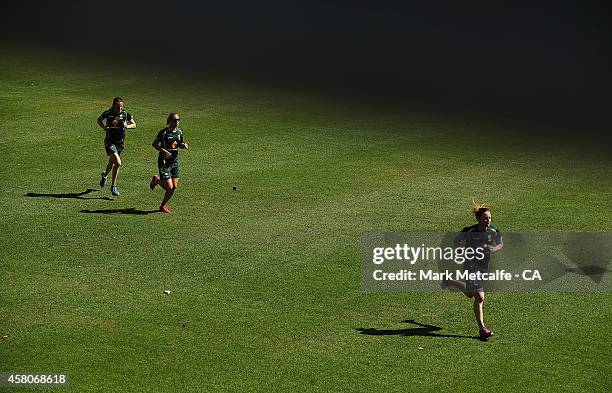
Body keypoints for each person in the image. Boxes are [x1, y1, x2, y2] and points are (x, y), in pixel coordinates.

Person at [441, 202, 503, 340]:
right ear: (479, 219)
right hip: (471, 266)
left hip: (483, 267)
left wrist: (494, 248)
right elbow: (456, 242)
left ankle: (450, 281)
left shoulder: (493, 231)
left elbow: (500, 244)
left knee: (470, 294)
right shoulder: (469, 231)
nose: (488, 220)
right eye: (486, 218)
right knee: (480, 297)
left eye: (490, 218)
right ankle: (482, 328)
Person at [96, 97, 136, 196]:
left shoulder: (125, 114)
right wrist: (105, 128)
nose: (119, 109)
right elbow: (99, 120)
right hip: (110, 142)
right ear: (113, 105)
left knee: (112, 162)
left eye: (121, 107)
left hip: (120, 142)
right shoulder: (108, 113)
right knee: (118, 163)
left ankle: (104, 175)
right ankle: (113, 186)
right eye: (118, 107)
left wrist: (127, 126)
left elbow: (134, 124)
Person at [149, 112, 188, 213]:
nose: (177, 122)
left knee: (174, 187)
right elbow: (154, 144)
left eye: (178, 120)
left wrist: (183, 146)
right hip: (164, 162)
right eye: (175, 120)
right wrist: (164, 151)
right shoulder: (163, 132)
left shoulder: (179, 132)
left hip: (174, 162)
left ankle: (162, 205)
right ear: (170, 121)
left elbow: (179, 143)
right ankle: (157, 181)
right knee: (169, 188)